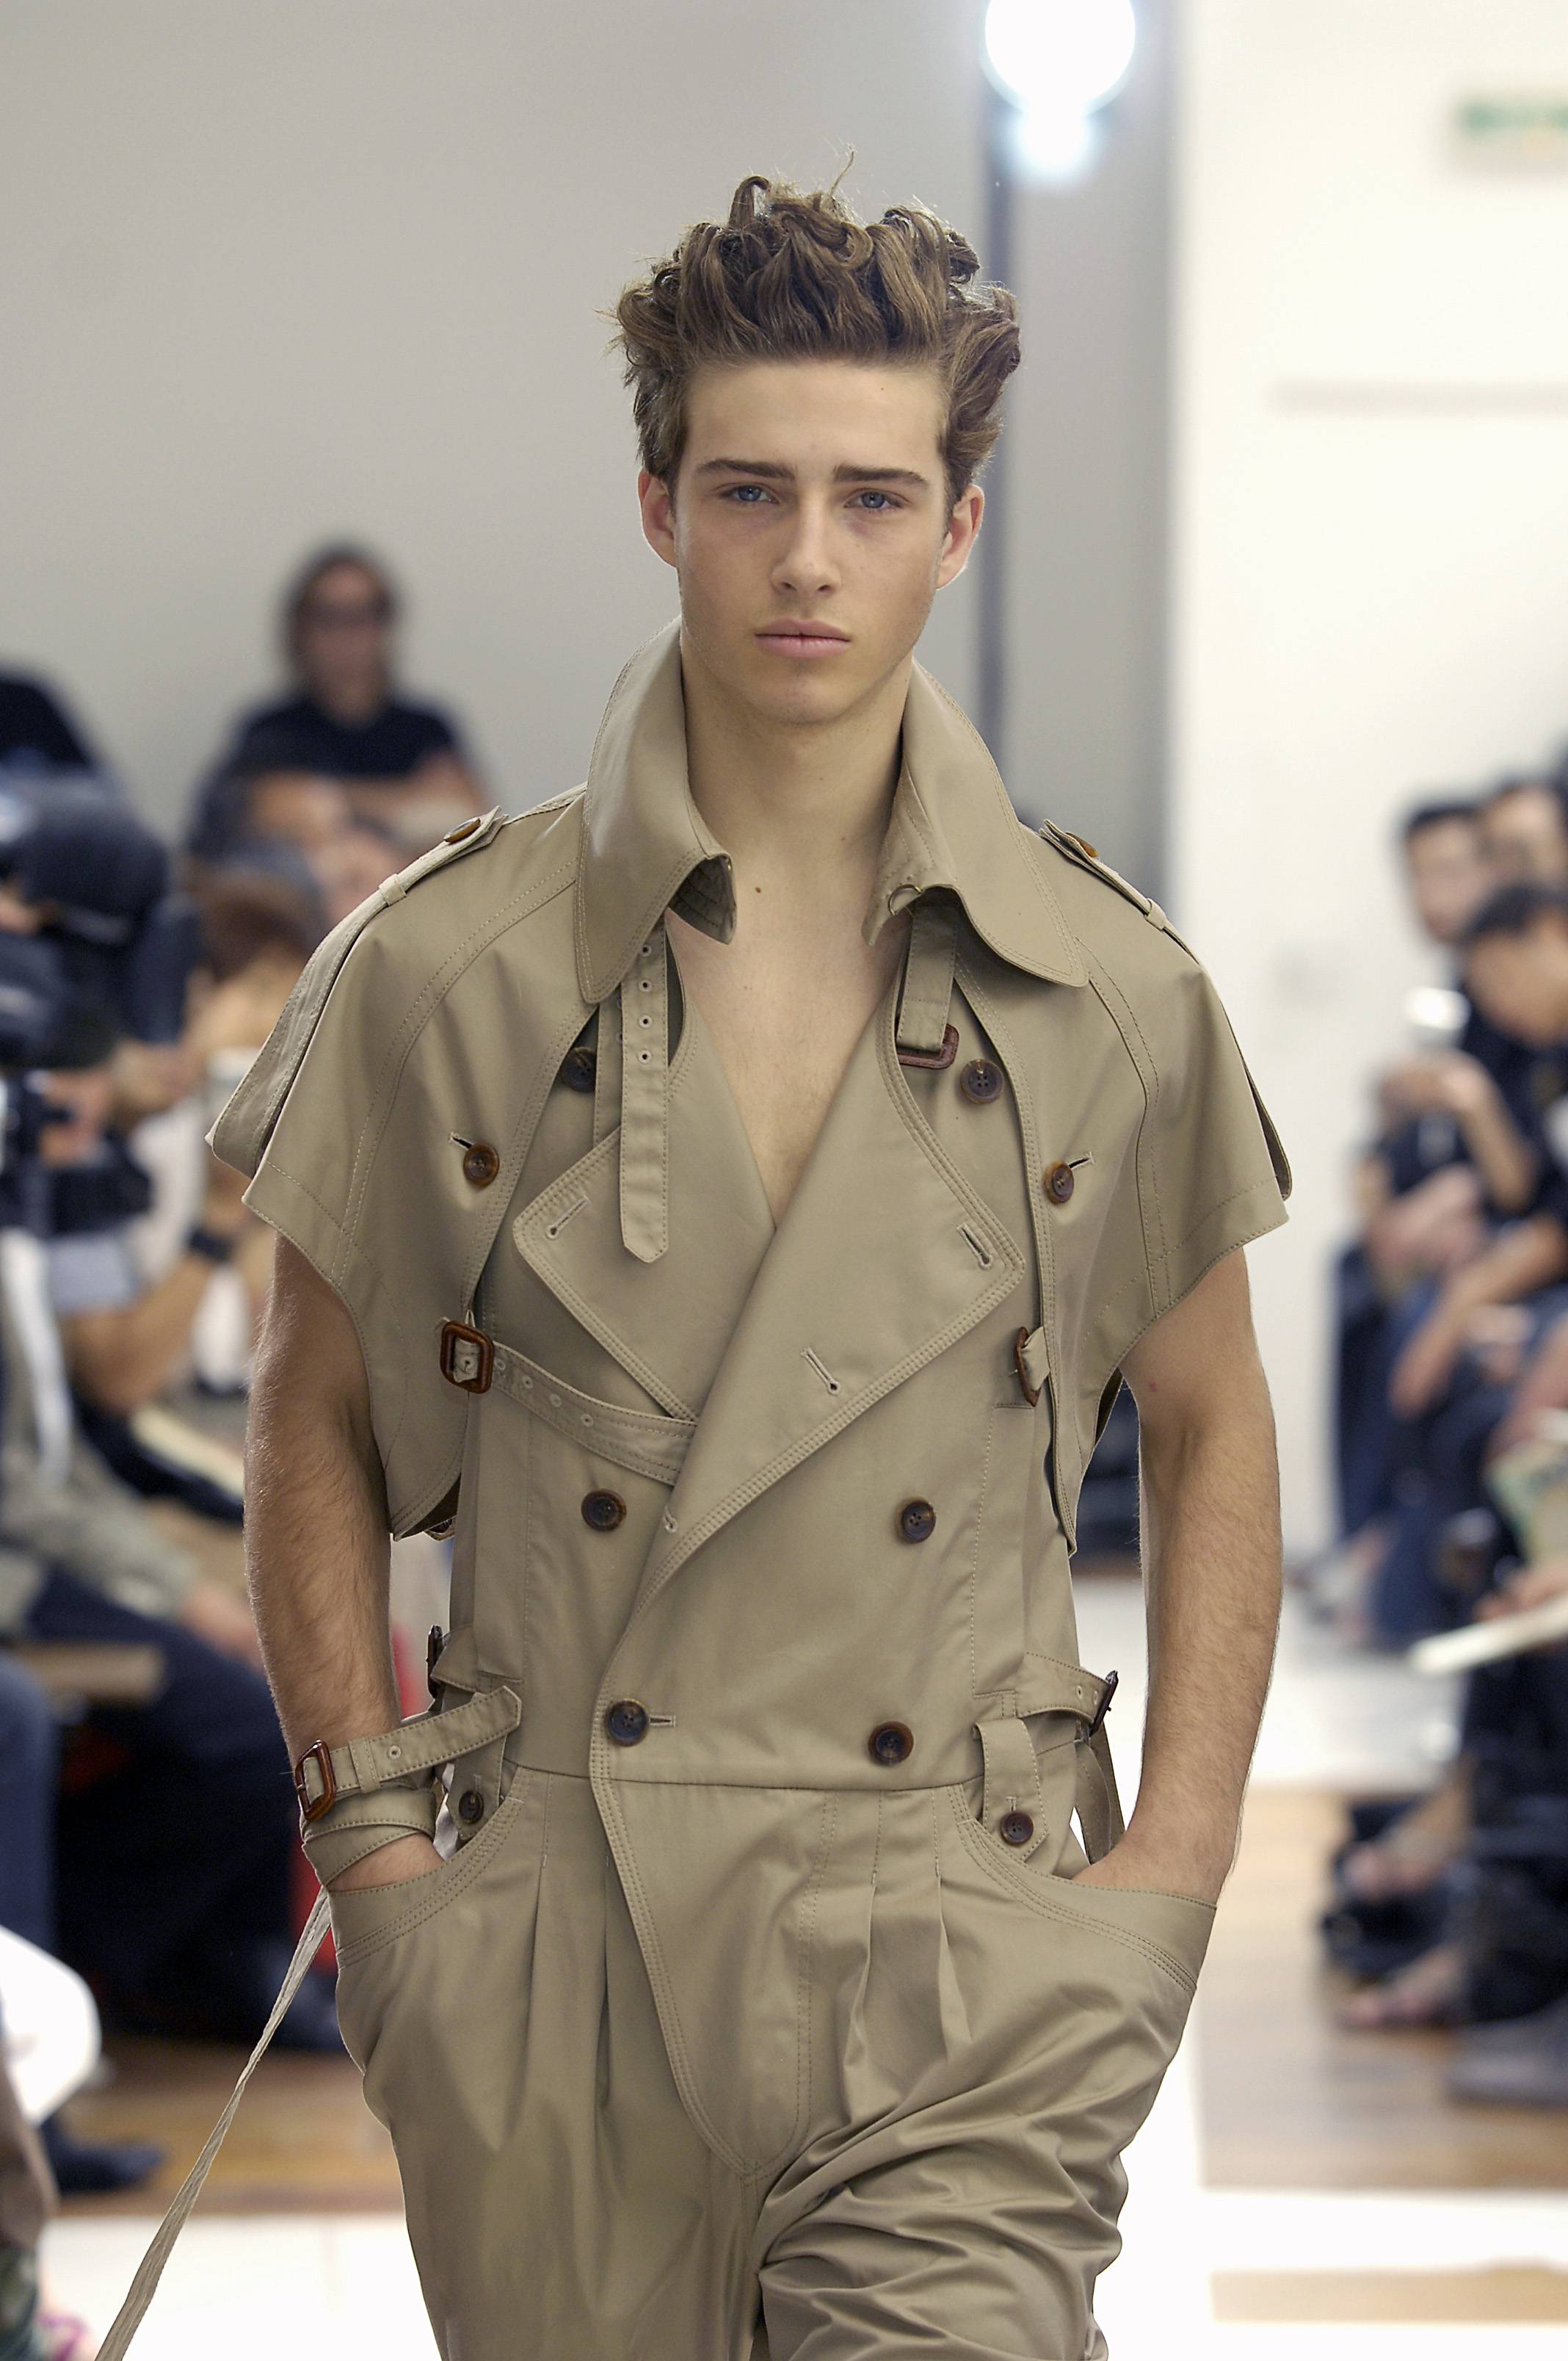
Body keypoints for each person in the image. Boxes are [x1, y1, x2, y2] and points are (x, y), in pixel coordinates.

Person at [106, 173, 1290, 2361]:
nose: (808, 557)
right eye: (752, 489)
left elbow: (1214, 1426)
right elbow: (314, 1413)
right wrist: (384, 1865)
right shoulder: (442, 969)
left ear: (958, 523)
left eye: (872, 496)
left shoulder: (1106, 991)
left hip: (963, 1933)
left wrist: (1170, 1875)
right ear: (659, 506)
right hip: (558, 1949)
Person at [186, 547, 482, 864]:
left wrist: (328, 800)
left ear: (384, 628)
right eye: (329, 619)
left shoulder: (427, 729)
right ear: (300, 631)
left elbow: (469, 823)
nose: (346, 638)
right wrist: (403, 803)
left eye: (360, 618)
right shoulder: (270, 732)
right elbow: (222, 834)